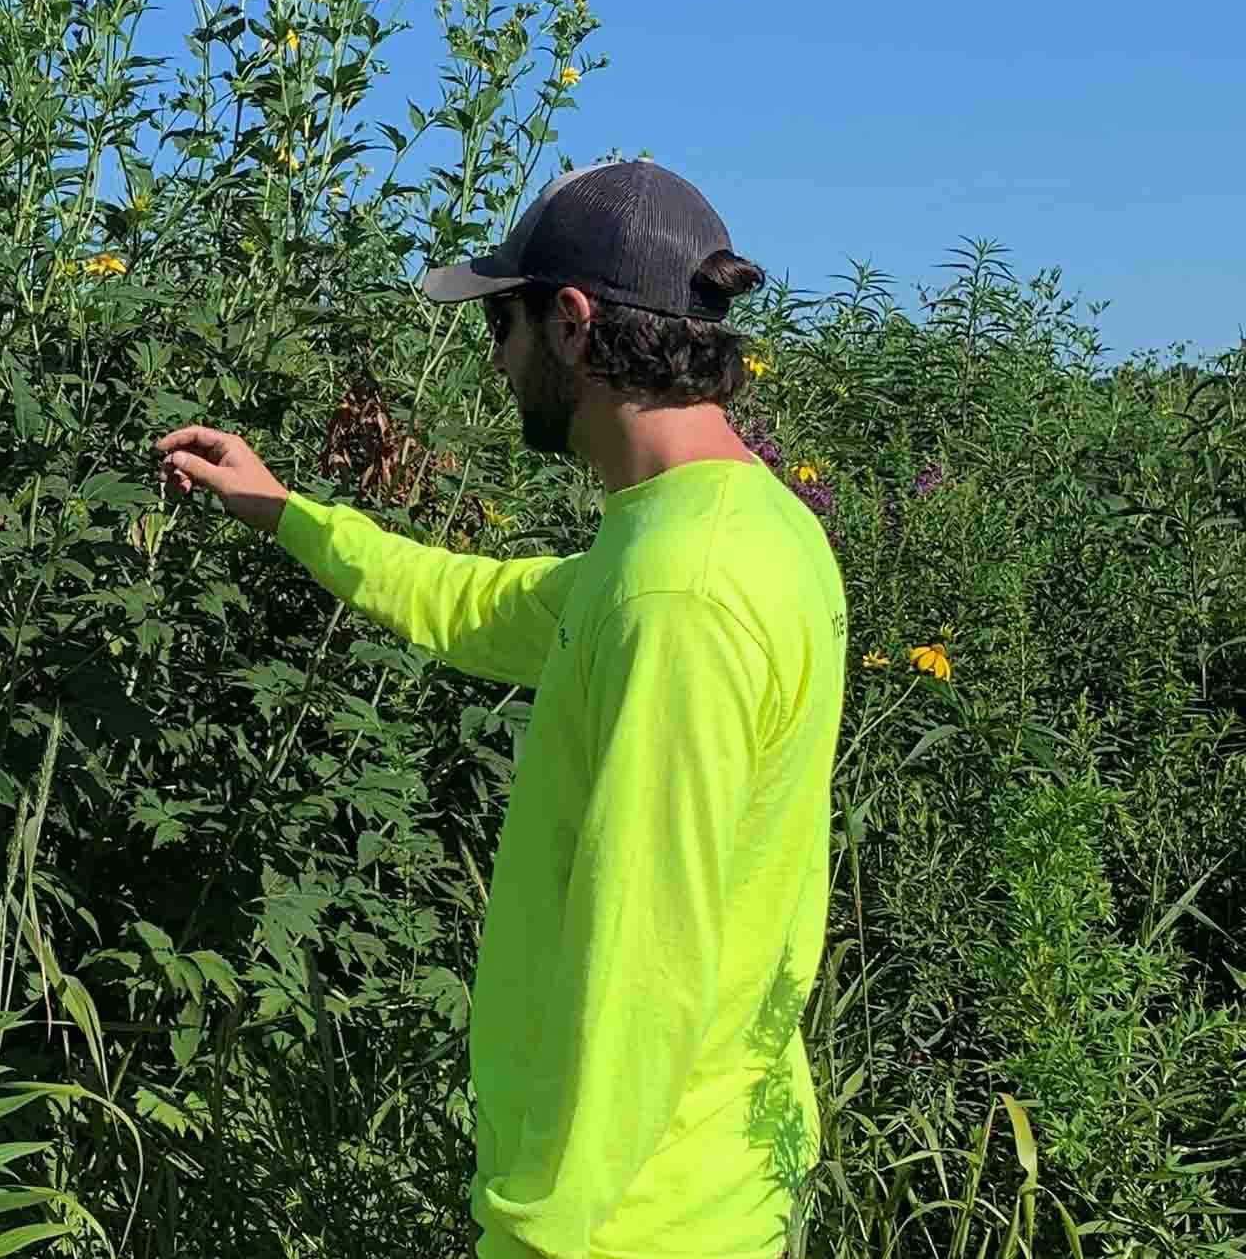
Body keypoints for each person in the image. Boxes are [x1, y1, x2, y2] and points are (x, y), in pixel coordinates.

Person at [154, 158, 846, 1259]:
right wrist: (286, 511)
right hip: (705, 1178)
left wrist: (542, 1227)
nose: (496, 359)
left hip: (627, 1216)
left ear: (571, 323)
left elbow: (644, 956)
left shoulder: (679, 592)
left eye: (502, 324)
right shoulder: (724, 530)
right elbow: (479, 603)